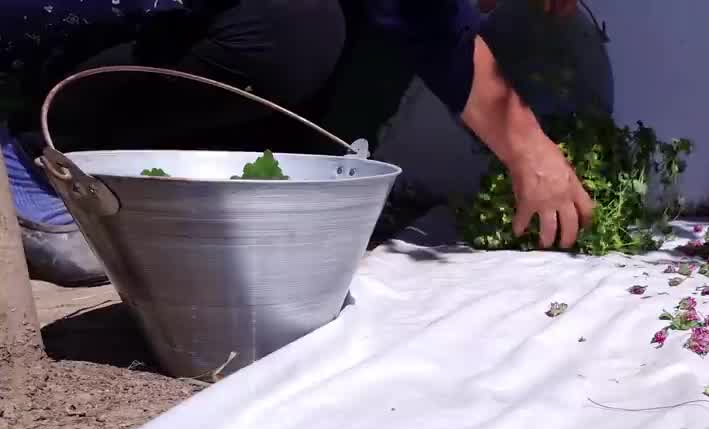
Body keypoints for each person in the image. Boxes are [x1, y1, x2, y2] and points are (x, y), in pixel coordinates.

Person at [0, 0, 595, 287]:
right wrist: (528, 147)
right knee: (295, 30)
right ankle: (38, 153)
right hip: (78, 24)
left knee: (366, 30)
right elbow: (424, 16)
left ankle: (254, 177)